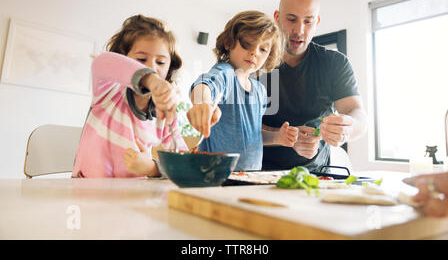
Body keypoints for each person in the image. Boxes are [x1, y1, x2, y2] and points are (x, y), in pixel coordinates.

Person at [261, 0, 367, 172]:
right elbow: (242, 124)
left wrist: (347, 128)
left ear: (317, 22)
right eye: (291, 19)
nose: (299, 30)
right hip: (256, 174)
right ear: (276, 18)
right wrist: (283, 136)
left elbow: (356, 113)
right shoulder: (255, 61)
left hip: (315, 177)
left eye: (308, 21)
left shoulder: (335, 63)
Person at [72, 15, 188, 178]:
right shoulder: (109, 91)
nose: (151, 67)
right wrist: (151, 80)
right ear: (123, 58)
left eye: (160, 62)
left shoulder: (164, 113)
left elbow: (183, 163)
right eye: (141, 59)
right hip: (88, 192)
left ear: (170, 67)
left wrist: (152, 168)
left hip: (132, 196)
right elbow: (102, 62)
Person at [187, 10, 299, 171]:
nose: (254, 53)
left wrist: (276, 137)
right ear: (228, 43)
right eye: (248, 44)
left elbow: (253, 133)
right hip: (216, 175)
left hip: (251, 176)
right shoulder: (225, 73)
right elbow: (204, 85)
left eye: (263, 49)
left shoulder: (260, 90)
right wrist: (202, 103)